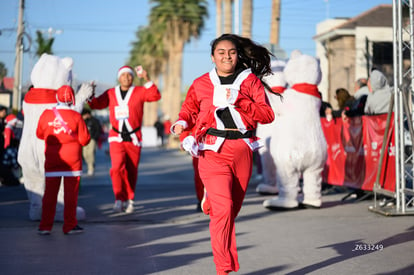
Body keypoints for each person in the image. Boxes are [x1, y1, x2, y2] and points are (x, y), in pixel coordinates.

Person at [171, 34, 275, 275]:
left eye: (231, 52)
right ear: (212, 57)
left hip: (242, 151)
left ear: (237, 55)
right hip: (212, 150)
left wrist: (241, 101)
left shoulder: (249, 81)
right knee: (224, 209)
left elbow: (267, 115)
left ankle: (210, 200)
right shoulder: (201, 83)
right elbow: (188, 109)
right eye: (221, 52)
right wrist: (180, 123)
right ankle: (223, 268)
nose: (227, 56)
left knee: (232, 210)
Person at [88, 65, 161, 213]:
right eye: (123, 75)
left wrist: (146, 78)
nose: (126, 78)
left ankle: (130, 199)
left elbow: (155, 96)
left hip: (134, 138)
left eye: (129, 75)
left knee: (131, 170)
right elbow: (96, 104)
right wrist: (91, 93)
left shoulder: (139, 91)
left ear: (133, 78)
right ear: (118, 77)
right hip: (116, 137)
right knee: (116, 168)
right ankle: (118, 199)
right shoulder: (111, 93)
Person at [37, 85, 91, 235]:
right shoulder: (76, 116)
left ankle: (45, 226)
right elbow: (85, 140)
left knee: (49, 195)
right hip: (72, 162)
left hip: (53, 159)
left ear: (57, 97)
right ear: (72, 99)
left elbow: (40, 134)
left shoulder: (46, 115)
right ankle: (69, 225)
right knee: (70, 196)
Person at [81, 109, 102, 176]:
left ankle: (91, 168)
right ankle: (90, 164)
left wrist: (95, 137)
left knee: (91, 153)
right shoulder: (83, 121)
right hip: (85, 139)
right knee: (85, 154)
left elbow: (98, 129)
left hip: (92, 139)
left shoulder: (95, 121)